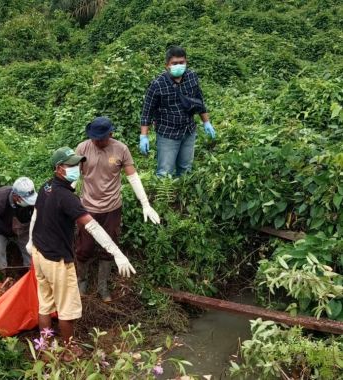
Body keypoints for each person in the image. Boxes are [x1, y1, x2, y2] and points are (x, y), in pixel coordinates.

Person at [27, 147, 136, 356]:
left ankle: (45, 345)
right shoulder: (67, 198)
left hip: (39, 255)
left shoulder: (46, 187)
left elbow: (37, 215)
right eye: (72, 165)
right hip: (57, 260)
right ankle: (69, 350)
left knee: (45, 304)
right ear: (59, 169)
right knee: (67, 308)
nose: (78, 168)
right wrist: (116, 252)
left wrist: (31, 242)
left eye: (78, 164)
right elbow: (92, 226)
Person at [75, 116, 160, 302]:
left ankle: (102, 286)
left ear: (110, 134)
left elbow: (133, 177)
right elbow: (74, 176)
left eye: (100, 138)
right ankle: (81, 282)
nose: (96, 141)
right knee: (84, 246)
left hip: (112, 207)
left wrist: (145, 203)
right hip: (88, 207)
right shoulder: (83, 148)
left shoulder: (120, 149)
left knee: (110, 246)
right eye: (93, 137)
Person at [139, 46, 216, 177]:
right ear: (167, 65)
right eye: (174, 63)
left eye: (182, 62)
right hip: (168, 133)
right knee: (165, 171)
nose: (179, 65)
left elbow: (199, 101)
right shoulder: (157, 84)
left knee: (186, 168)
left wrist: (206, 122)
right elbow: (147, 111)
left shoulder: (192, 77)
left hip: (188, 130)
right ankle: (164, 197)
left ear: (186, 62)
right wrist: (143, 136)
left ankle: (182, 194)